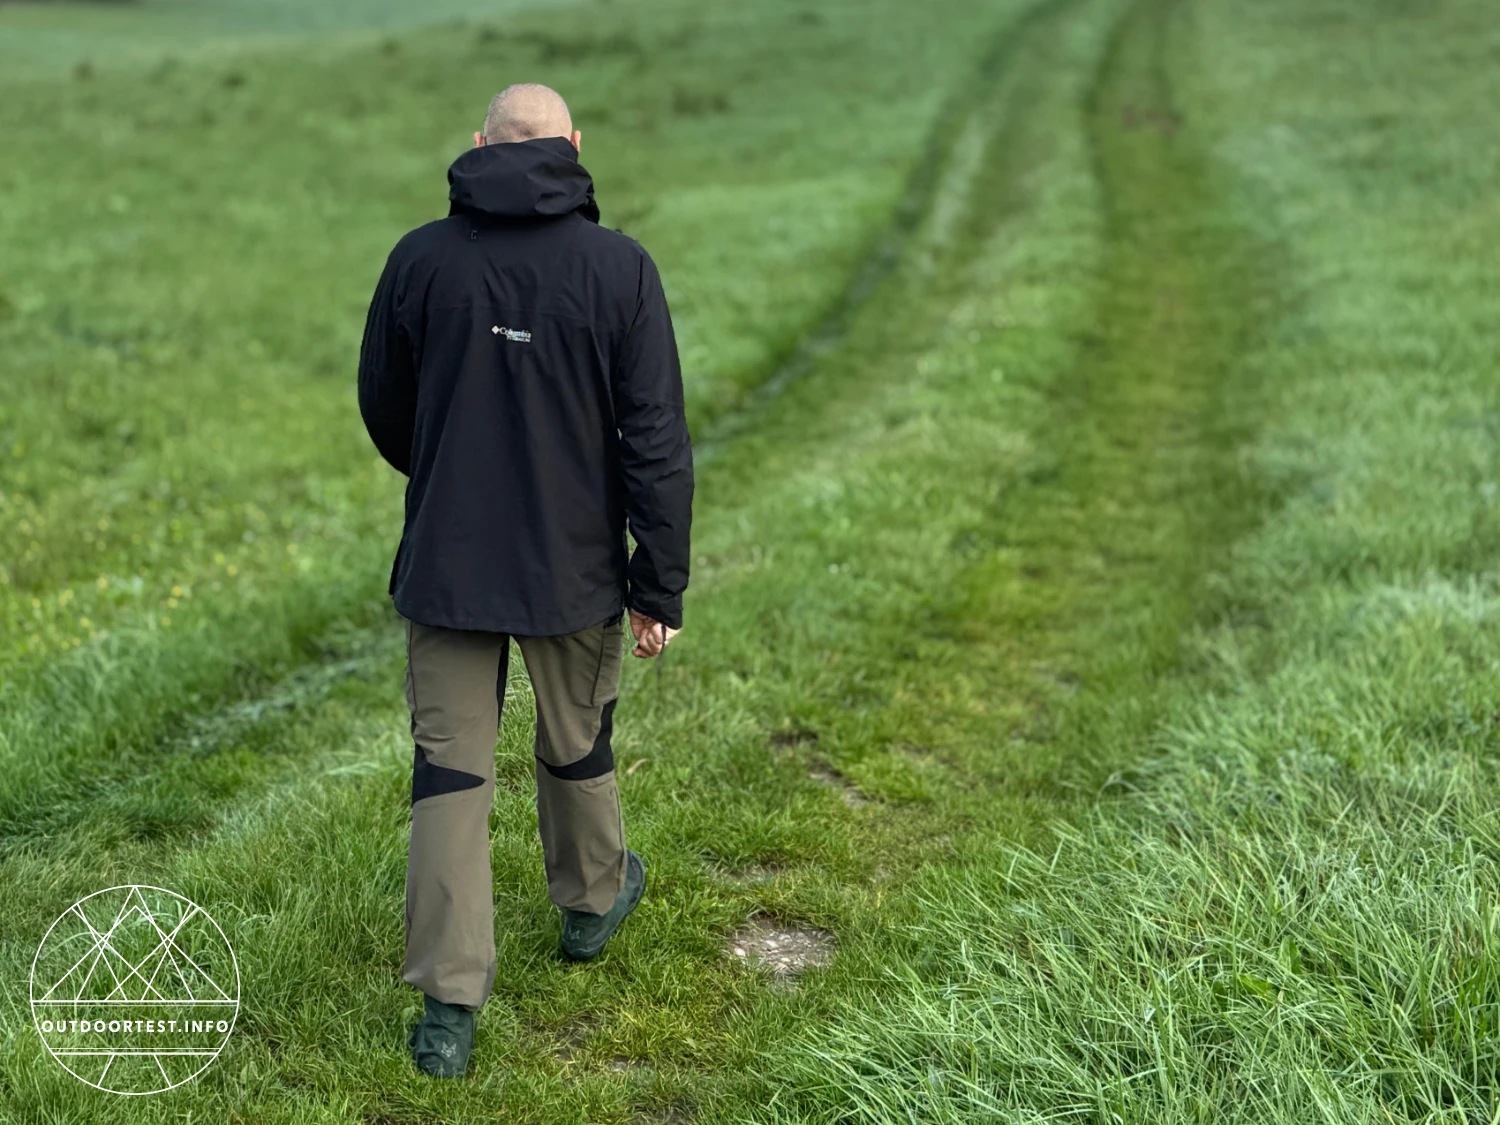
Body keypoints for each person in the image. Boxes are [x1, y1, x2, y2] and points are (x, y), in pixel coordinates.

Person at [357, 83, 693, 1079]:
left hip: (449, 564)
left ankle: (447, 1016)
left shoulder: (420, 259)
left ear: (478, 146)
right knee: (576, 740)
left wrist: (447, 469)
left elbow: (387, 406)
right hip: (576, 564)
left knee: (450, 776)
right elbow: (657, 441)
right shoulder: (620, 268)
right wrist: (656, 583)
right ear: (575, 147)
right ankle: (591, 906)